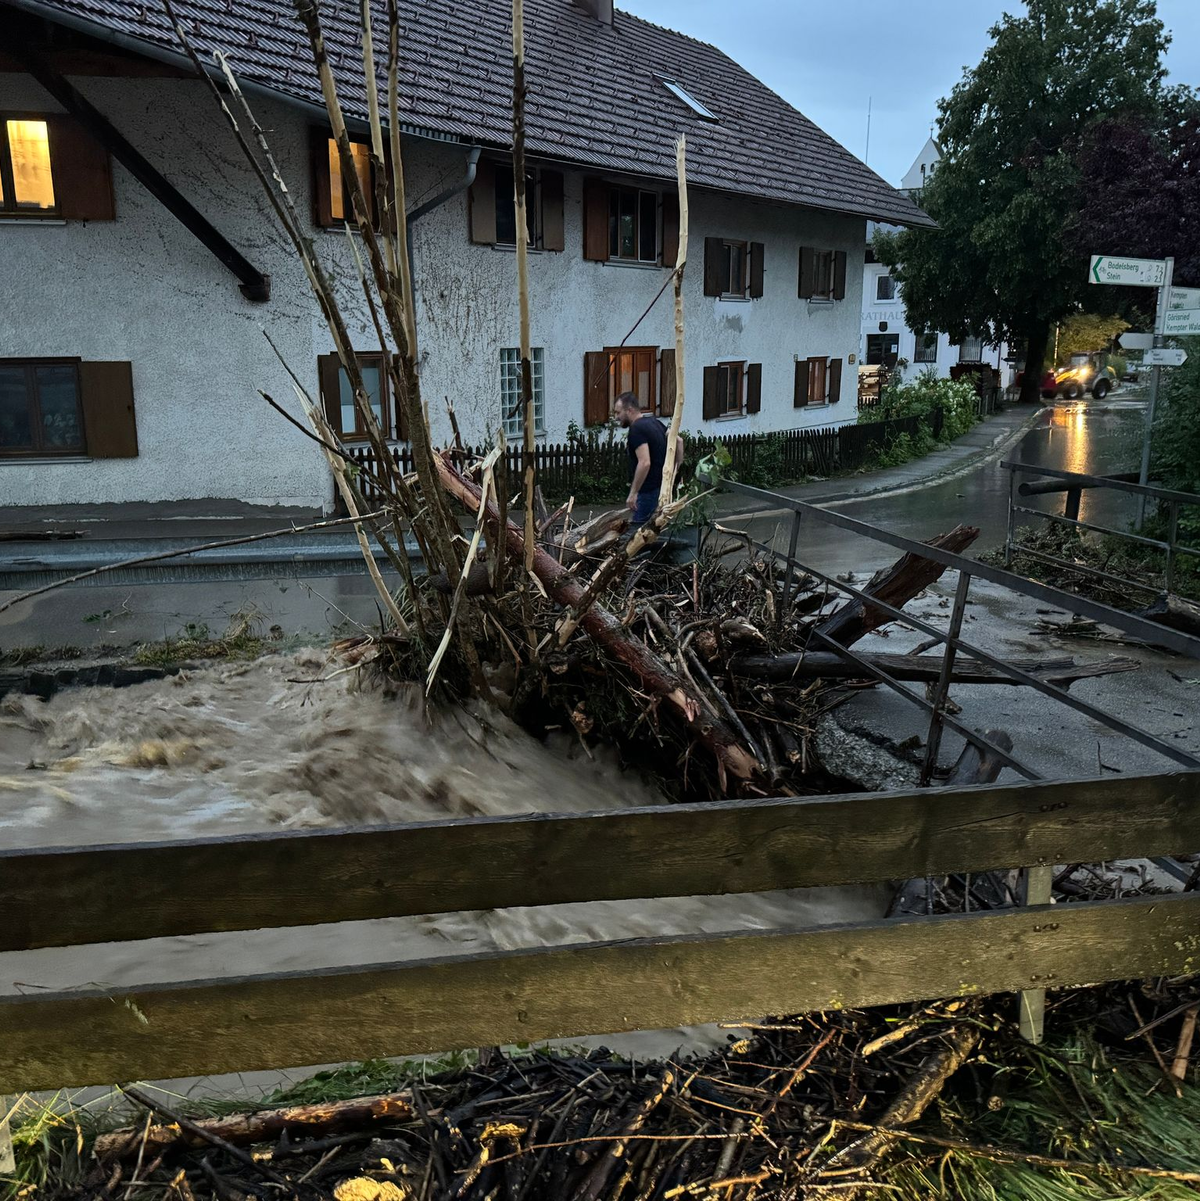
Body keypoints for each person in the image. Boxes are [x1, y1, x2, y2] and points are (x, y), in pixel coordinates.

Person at [613, 392, 682, 527]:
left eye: (618, 412)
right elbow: (679, 441)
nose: (616, 417)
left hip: (647, 492)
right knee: (658, 531)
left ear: (629, 410)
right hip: (663, 489)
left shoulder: (636, 430)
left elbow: (644, 463)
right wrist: (675, 472)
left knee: (640, 536)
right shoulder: (655, 423)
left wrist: (633, 493)